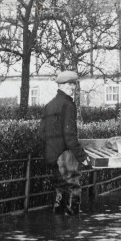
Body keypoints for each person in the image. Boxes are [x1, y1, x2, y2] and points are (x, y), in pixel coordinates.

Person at [38, 70, 90, 215]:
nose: (72, 87)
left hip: (52, 157)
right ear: (60, 85)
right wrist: (82, 157)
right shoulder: (68, 105)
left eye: (74, 84)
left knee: (59, 191)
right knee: (73, 189)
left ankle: (59, 229)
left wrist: (53, 148)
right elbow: (70, 136)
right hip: (65, 157)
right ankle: (72, 230)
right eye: (68, 84)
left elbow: (41, 133)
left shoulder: (49, 105)